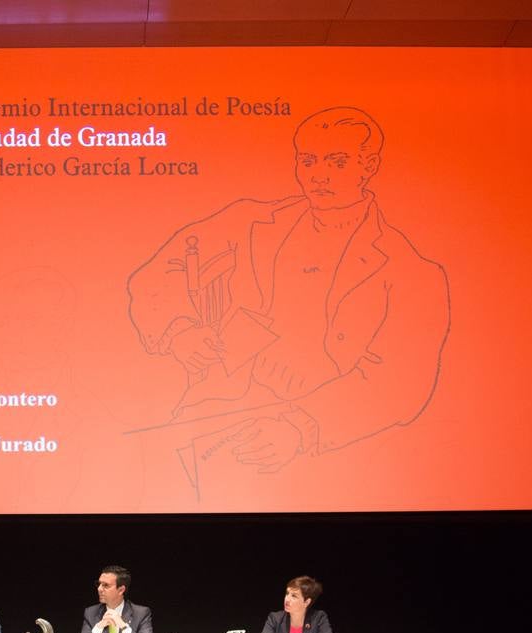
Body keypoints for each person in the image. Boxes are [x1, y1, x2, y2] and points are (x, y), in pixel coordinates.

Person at [128, 107, 450, 473]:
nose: (319, 176)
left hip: (324, 436)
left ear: (369, 165)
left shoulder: (412, 271)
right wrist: (178, 330)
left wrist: (301, 428)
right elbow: (157, 272)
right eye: (308, 161)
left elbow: (399, 383)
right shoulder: (251, 220)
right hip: (216, 405)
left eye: (338, 162)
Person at [78, 565, 155, 633]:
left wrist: (123, 626)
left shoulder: (141, 613)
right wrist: (99, 627)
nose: (99, 589)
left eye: (105, 585)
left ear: (121, 590)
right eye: (99, 584)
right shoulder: (91, 613)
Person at [260, 575, 335, 633]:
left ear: (306, 602)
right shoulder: (275, 619)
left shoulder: (318, 618)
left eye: (294, 596)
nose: (287, 599)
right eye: (287, 593)